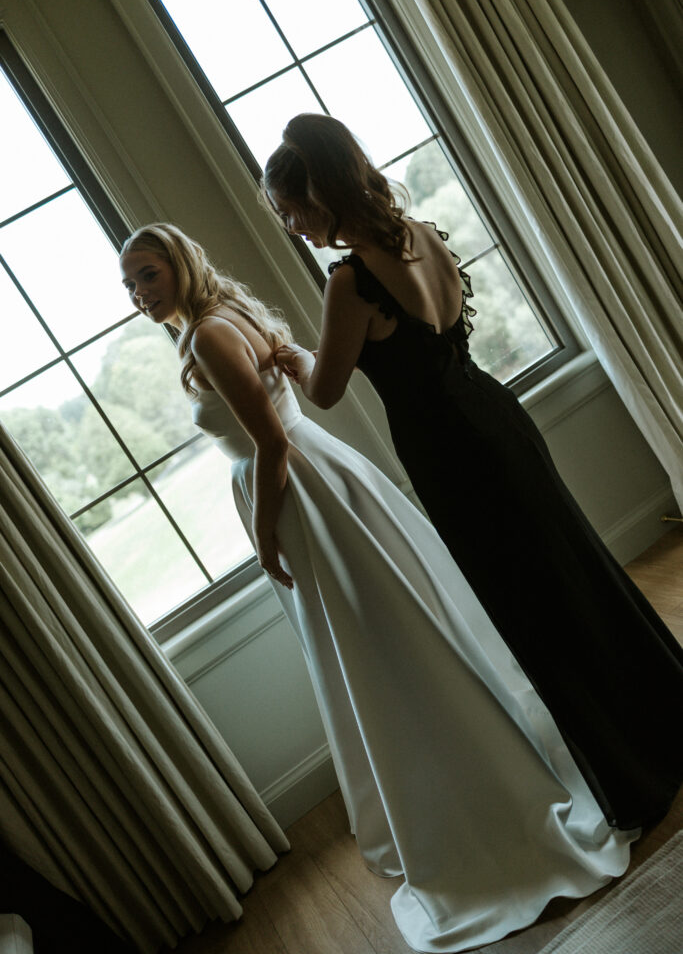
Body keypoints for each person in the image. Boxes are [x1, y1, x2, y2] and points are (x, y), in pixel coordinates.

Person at [118, 223, 637, 954]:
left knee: (378, 646)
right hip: (325, 478)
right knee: (393, 634)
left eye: (147, 274)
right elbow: (291, 391)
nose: (138, 293)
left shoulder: (206, 335)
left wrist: (264, 534)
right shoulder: (227, 314)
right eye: (128, 283)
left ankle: (471, 797)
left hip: (300, 494)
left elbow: (268, 441)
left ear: (178, 264)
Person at [265, 112, 683, 833]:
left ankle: (632, 768)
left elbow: (325, 389)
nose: (290, 225)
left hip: (451, 452)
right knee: (578, 572)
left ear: (320, 195)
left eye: (292, 210)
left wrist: (283, 354)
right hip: (495, 416)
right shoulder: (421, 234)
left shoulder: (349, 281)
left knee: (532, 607)